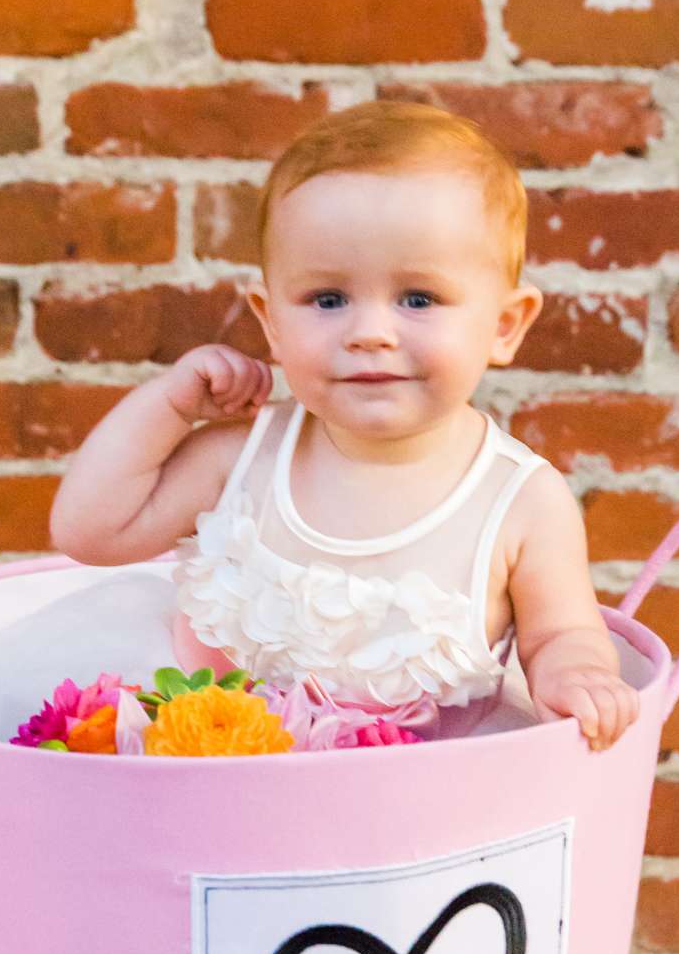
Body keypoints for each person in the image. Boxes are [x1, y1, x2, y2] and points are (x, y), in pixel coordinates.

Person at [49, 100, 639, 750]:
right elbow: (90, 532)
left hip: (417, 805)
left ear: (504, 326)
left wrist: (577, 675)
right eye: (327, 300)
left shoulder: (520, 499)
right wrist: (169, 406)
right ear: (272, 322)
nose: (369, 333)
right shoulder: (240, 461)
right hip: (217, 790)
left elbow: (563, 634)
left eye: (419, 299)